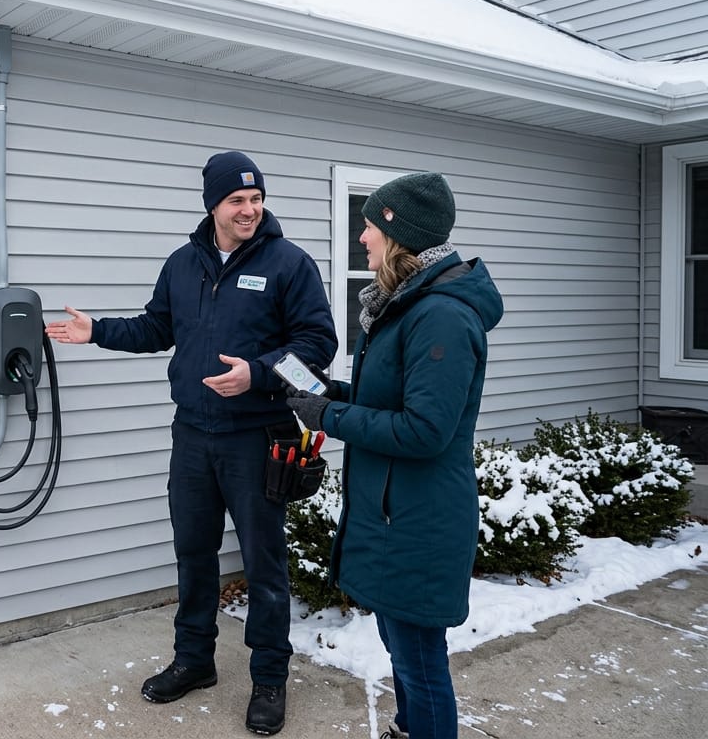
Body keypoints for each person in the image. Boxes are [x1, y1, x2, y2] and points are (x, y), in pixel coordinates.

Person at [46, 151, 336, 736]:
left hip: (256, 436)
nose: (250, 210)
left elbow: (318, 342)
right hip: (193, 436)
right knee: (194, 553)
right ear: (213, 205)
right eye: (237, 201)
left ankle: (270, 678)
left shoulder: (288, 264)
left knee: (264, 563)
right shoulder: (184, 264)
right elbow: (158, 327)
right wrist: (97, 331)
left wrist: (256, 373)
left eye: (256, 199)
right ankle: (194, 660)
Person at [284, 172, 503, 739]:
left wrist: (329, 418)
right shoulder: (410, 305)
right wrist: (337, 396)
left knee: (420, 663)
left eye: (368, 226)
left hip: (420, 518)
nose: (362, 238)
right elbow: (396, 402)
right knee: (404, 651)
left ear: (397, 233)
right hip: (395, 513)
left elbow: (425, 430)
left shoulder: (441, 315)